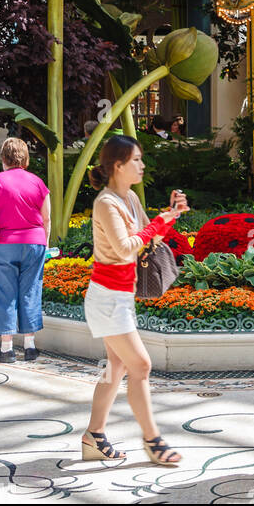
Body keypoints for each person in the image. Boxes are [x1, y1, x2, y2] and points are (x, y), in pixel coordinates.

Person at [82, 135, 188, 465]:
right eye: (136, 160)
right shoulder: (107, 203)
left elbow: (149, 238)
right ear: (118, 166)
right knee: (141, 365)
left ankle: (93, 437)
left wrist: (170, 216)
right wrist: (156, 224)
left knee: (115, 367)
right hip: (107, 299)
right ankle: (153, 441)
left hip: (121, 296)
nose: (142, 165)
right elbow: (127, 247)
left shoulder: (129, 199)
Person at [0, 137, 49, 363]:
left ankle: (6, 349)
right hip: (34, 243)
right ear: (25, 159)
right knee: (31, 290)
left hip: (2, 246)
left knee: (3, 293)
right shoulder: (38, 182)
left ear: (3, 158)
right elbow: (47, 218)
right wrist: (44, 244)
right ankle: (30, 346)